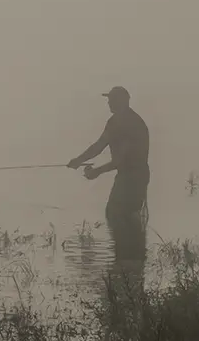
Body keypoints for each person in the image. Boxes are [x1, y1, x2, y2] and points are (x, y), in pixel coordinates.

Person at [67, 86, 149, 328]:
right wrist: (78, 160)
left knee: (120, 216)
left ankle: (130, 265)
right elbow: (99, 145)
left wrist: (96, 172)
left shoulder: (133, 124)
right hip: (125, 176)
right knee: (116, 215)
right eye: (109, 100)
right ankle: (127, 264)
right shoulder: (113, 123)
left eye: (113, 99)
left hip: (134, 176)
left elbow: (120, 159)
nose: (109, 103)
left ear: (124, 100)